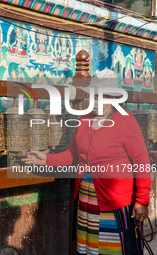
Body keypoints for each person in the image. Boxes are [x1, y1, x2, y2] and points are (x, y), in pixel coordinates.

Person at [22, 68, 151, 255]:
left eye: (99, 97)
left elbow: (142, 162)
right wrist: (46, 160)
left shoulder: (126, 121)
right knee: (89, 249)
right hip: (86, 201)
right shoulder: (85, 119)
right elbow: (73, 155)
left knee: (112, 249)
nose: (95, 101)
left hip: (113, 202)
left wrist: (142, 200)